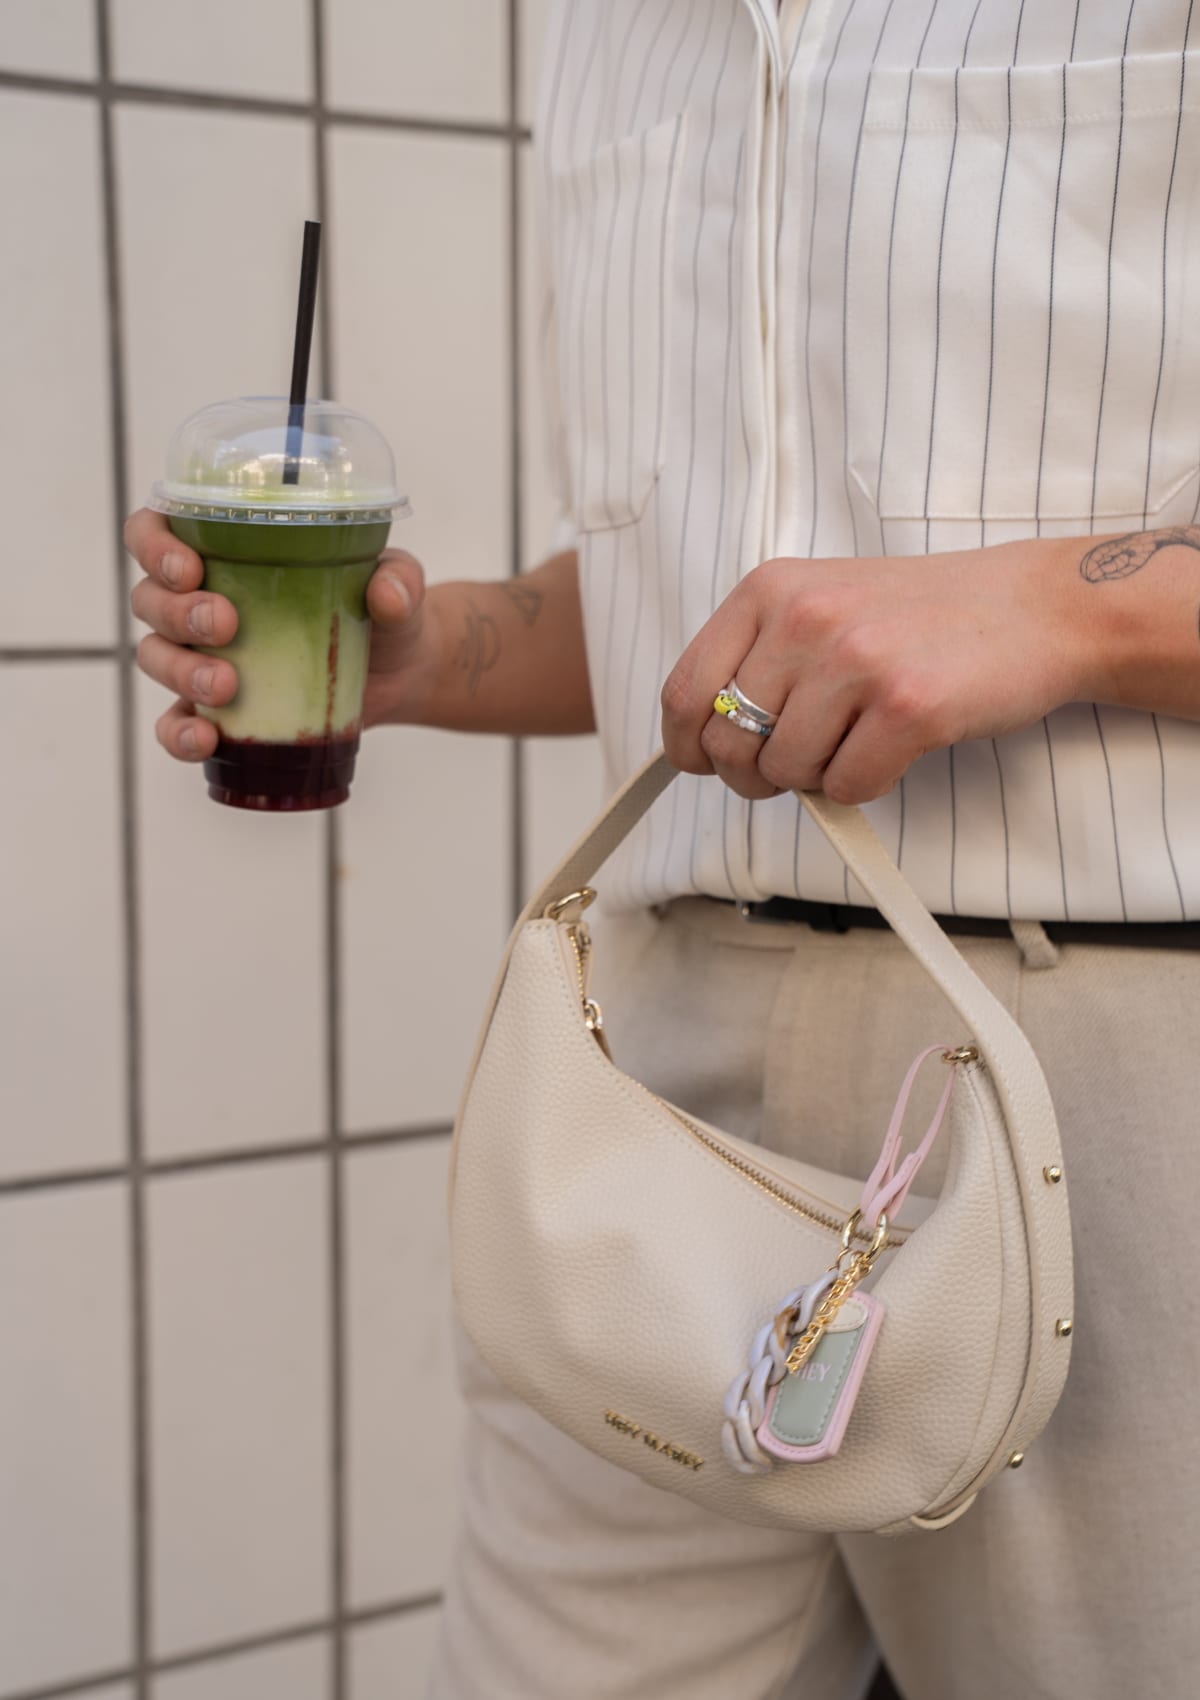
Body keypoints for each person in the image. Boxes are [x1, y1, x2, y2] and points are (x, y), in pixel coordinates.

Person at [126, 3, 1200, 1696]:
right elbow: (694, 602)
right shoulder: (601, 25)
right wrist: (435, 653)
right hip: (660, 1076)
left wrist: (1058, 610)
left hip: (1120, 1081)